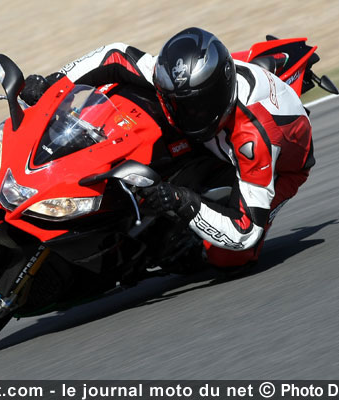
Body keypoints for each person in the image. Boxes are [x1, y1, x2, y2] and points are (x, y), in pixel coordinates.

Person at [20, 27, 314, 272]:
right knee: (128, 101)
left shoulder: (255, 140)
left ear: (219, 95)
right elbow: (115, 55)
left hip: (281, 168)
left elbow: (245, 232)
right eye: (177, 103)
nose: (186, 113)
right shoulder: (173, 79)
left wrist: (182, 201)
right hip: (214, 130)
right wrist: (54, 84)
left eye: (195, 107)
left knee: (228, 258)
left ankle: (180, 247)